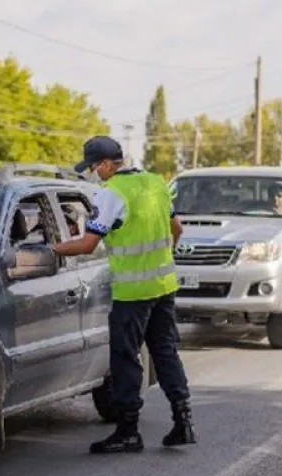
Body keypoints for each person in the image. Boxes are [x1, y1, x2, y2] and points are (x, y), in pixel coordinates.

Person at [50, 135, 197, 454]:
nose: (92, 173)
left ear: (104, 164)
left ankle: (128, 430)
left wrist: (53, 248)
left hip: (132, 292)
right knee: (165, 351)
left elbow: (88, 244)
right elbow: (178, 229)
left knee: (125, 358)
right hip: (164, 286)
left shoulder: (110, 194)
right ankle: (183, 421)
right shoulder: (155, 182)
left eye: (92, 167)